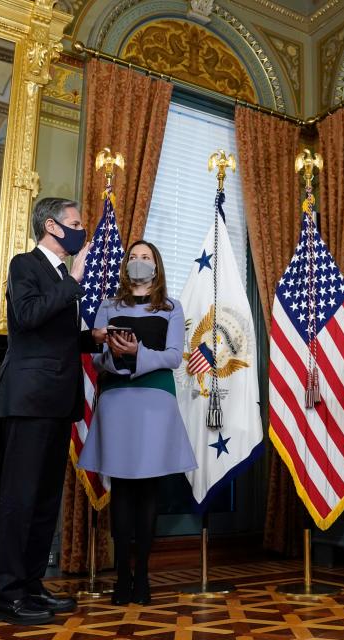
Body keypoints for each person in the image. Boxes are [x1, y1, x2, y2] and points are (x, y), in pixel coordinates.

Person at [0, 197, 105, 625]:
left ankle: (32, 586)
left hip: (59, 400)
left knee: (43, 502)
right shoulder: (26, 265)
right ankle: (6, 594)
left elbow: (56, 338)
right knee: (19, 500)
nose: (82, 231)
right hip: (30, 398)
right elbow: (28, 315)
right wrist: (75, 278)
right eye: (77, 223)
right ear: (53, 227)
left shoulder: (58, 277)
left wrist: (93, 338)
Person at [78, 240, 197, 606]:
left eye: (146, 257)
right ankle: (122, 577)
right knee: (122, 491)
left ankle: (142, 575)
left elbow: (176, 357)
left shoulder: (171, 308)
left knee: (147, 491)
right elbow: (95, 360)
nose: (139, 262)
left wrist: (138, 353)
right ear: (125, 265)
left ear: (156, 266)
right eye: (134, 257)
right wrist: (116, 356)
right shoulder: (108, 306)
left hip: (155, 401)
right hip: (116, 402)